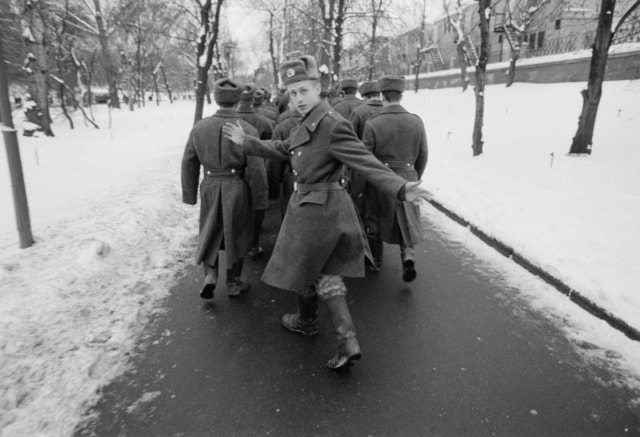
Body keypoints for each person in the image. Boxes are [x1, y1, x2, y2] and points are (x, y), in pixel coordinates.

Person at [223, 55, 432, 370]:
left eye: (303, 91)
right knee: (321, 271)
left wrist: (401, 188)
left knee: (306, 267)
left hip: (317, 211)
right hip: (316, 209)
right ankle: (333, 333)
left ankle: (319, 327)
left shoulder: (332, 124)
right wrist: (249, 142)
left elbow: (365, 160)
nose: (297, 99)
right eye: (292, 94)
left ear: (318, 88)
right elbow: (282, 149)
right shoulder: (308, 122)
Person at [181, 78, 261, 299]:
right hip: (237, 188)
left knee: (210, 230)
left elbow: (189, 160)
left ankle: (210, 275)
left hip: (209, 186)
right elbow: (256, 167)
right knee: (238, 233)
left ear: (216, 99)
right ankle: (234, 282)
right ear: (237, 100)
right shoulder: (246, 128)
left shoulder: (199, 127)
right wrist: (260, 199)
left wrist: (189, 195)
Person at [361, 75, 428, 281]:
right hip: (408, 176)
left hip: (381, 178)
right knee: (405, 220)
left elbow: (365, 158)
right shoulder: (416, 121)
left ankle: (376, 261)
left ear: (382, 96)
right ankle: (408, 256)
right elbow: (423, 155)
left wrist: (361, 187)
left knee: (375, 219)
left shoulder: (373, 123)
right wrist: (414, 176)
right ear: (401, 95)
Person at [236, 83, 273, 260]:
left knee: (237, 207)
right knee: (257, 203)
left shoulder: (226, 120)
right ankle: (254, 243)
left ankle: (238, 241)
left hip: (234, 171)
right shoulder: (266, 120)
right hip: (259, 166)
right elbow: (271, 148)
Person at [347, 81, 384, 224]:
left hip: (364, 167)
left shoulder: (359, 112)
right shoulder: (390, 110)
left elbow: (350, 141)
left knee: (362, 210)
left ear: (363, 96)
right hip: (388, 169)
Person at [267, 100, 301, 218]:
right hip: (316, 180)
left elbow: (274, 160)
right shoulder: (320, 123)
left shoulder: (282, 126)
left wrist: (273, 187)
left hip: (290, 177)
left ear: (290, 106)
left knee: (289, 216)